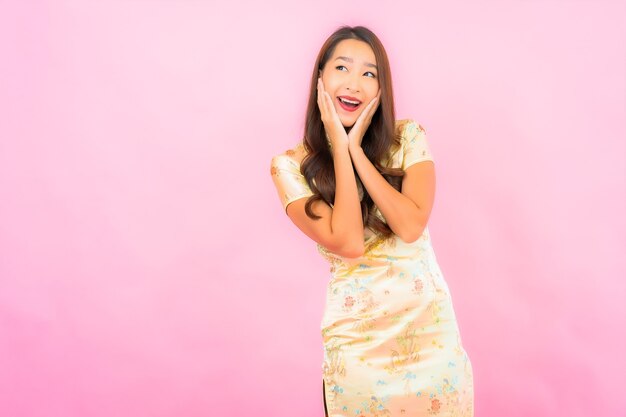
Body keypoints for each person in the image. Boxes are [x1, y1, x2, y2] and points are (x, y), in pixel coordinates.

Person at [270, 25, 474, 417]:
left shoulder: (407, 138)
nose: (354, 83)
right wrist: (338, 146)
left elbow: (411, 227)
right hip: (359, 352)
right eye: (342, 68)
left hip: (432, 343)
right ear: (320, 79)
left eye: (369, 73)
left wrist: (359, 155)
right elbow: (348, 242)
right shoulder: (290, 166)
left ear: (383, 88)